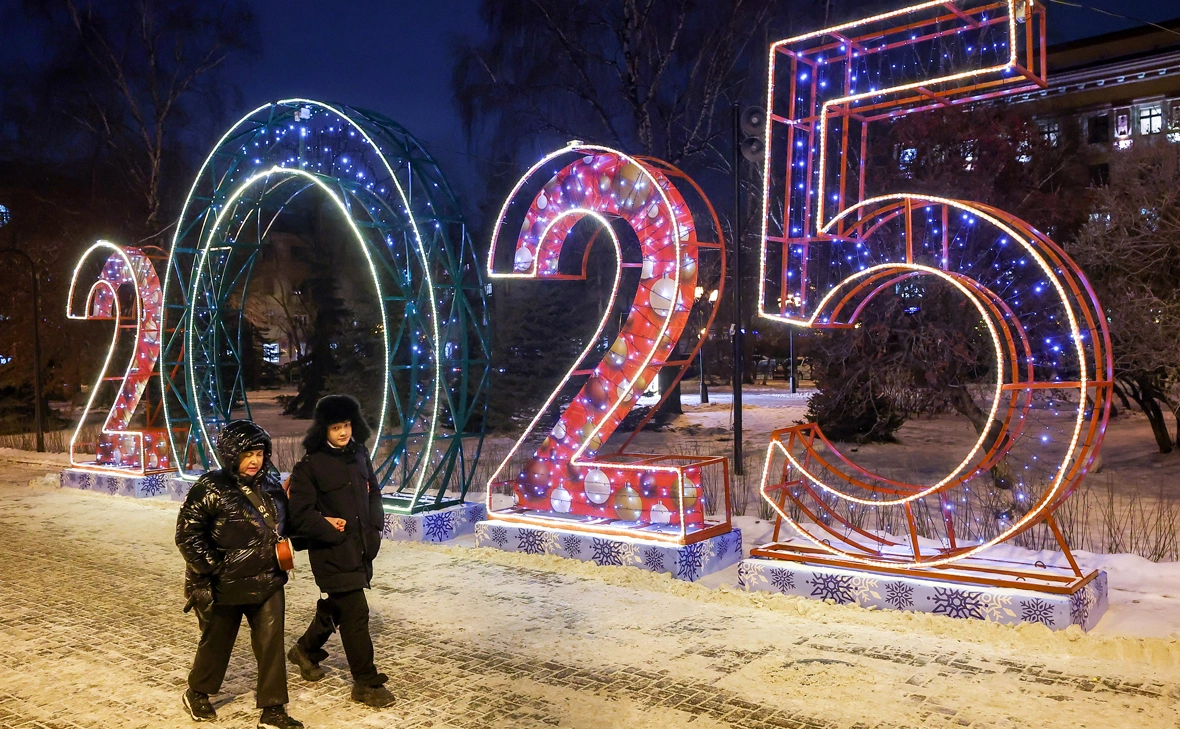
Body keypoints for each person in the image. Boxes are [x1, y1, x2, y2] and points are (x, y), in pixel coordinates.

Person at [175, 419, 304, 728]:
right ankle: (198, 692)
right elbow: (188, 534)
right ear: (231, 455)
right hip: (224, 583)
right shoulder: (211, 487)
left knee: (271, 645)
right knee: (217, 642)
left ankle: (273, 710)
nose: (254, 461)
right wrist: (213, 569)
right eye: (247, 454)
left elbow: (288, 528)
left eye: (259, 453)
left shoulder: (272, 486)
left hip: (268, 580)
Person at [285, 395, 395, 708]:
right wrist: (326, 524)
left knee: (338, 607)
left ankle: (304, 650)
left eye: (346, 425)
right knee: (356, 613)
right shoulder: (310, 465)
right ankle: (365, 682)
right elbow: (300, 514)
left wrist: (375, 526)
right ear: (324, 430)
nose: (343, 432)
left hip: (360, 548)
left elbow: (373, 492)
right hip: (331, 553)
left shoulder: (359, 454)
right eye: (336, 427)